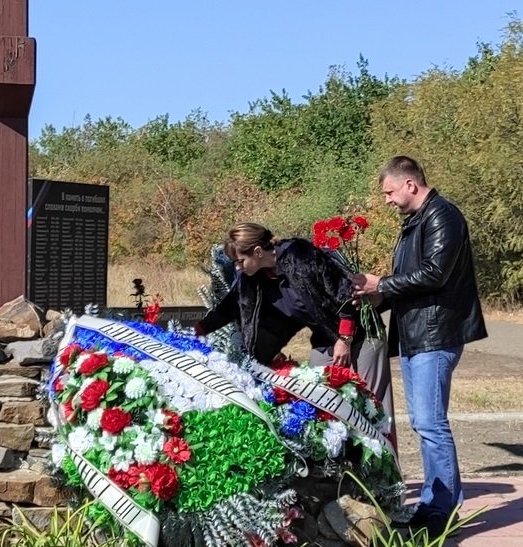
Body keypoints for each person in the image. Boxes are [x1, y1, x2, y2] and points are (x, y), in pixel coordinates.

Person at [352, 155, 487, 537]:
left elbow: (434, 273)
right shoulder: (414, 222)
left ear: (410, 184)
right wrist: (380, 299)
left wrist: (383, 286)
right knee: (423, 423)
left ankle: (442, 512)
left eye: (389, 192)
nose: (387, 200)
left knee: (430, 423)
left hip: (436, 334)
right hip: (415, 335)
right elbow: (413, 279)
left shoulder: (443, 216)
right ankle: (432, 503)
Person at [194, 222, 396, 440]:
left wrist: (344, 339)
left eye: (240, 261)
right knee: (321, 400)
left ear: (258, 252)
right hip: (325, 337)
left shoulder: (300, 256)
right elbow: (230, 306)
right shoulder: (253, 279)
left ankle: (386, 463)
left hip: (360, 331)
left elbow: (345, 293)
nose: (237, 268)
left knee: (372, 406)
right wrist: (198, 330)